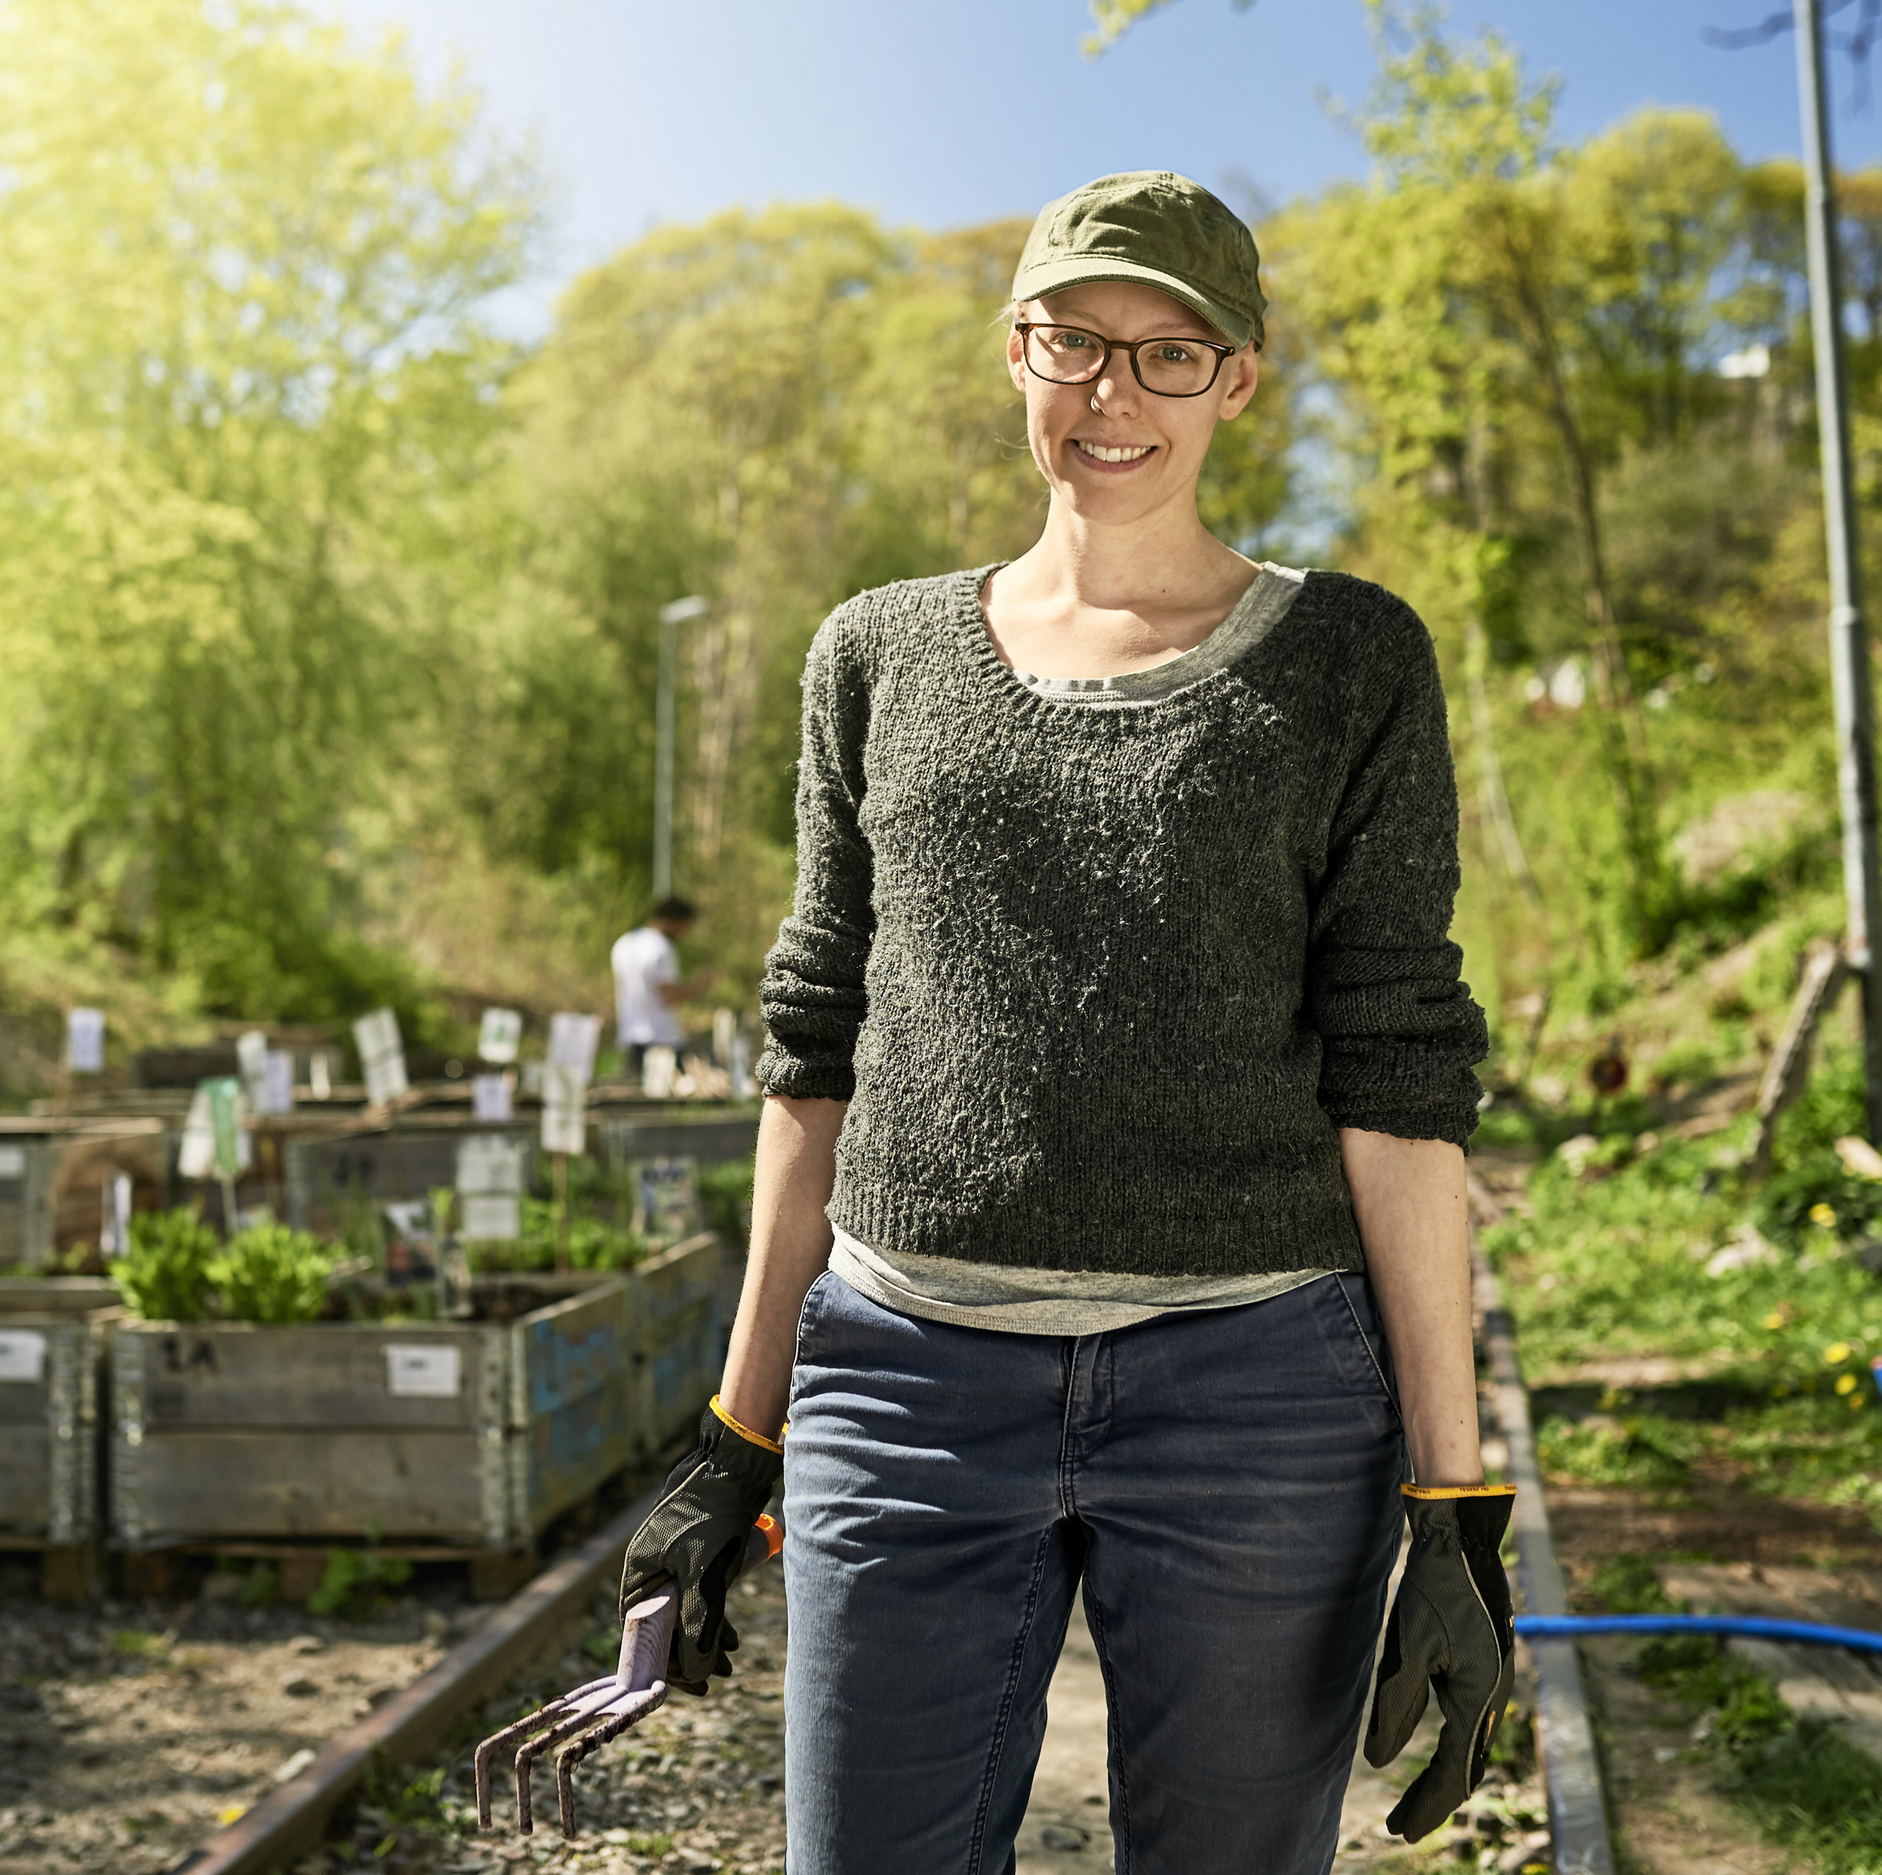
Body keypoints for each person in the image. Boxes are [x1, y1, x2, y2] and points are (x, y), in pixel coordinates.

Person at [622, 172, 1514, 1874]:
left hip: (1256, 1392)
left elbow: (1403, 1069)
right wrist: (739, 1432)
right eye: (1077, 344)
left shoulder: (1347, 661)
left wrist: (1457, 1505)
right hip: (907, 1381)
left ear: (1240, 379)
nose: (1115, 395)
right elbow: (816, 1045)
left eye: (1171, 354)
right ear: (1015, 352)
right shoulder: (876, 654)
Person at [612, 896, 701, 1077]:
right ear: (674, 922)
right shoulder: (661, 947)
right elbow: (668, 994)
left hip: (631, 1036)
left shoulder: (624, 942)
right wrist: (699, 986)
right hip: (661, 1040)